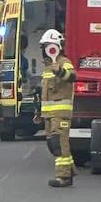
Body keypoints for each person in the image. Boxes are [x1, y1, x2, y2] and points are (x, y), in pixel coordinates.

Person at [38, 29, 76, 188]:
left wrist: (59, 70)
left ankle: (64, 177)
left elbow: (72, 76)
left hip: (60, 113)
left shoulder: (63, 62)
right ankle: (70, 170)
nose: (45, 50)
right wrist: (39, 112)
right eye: (44, 47)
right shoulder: (47, 67)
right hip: (49, 114)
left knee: (59, 143)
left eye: (47, 46)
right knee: (52, 144)